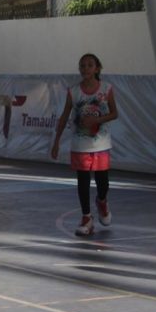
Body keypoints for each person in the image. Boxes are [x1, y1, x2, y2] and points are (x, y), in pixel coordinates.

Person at [51, 53, 118, 237]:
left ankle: (102, 201)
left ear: (97, 68)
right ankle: (86, 218)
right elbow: (65, 116)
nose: (85, 69)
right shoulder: (74, 91)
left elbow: (114, 113)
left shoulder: (106, 89)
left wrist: (97, 120)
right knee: (83, 181)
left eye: (89, 65)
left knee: (102, 183)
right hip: (80, 143)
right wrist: (56, 142)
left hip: (101, 143)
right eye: (82, 65)